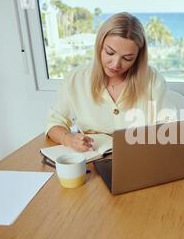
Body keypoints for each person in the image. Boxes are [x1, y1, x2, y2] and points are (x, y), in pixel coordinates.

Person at [45, 12, 175, 152]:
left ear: (137, 58)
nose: (115, 65)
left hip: (139, 159)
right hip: (92, 160)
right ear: (99, 45)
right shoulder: (76, 79)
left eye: (127, 58)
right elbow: (54, 123)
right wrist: (68, 139)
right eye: (110, 53)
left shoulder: (152, 80)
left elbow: (169, 128)